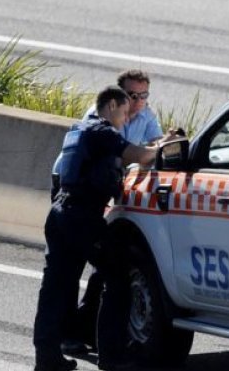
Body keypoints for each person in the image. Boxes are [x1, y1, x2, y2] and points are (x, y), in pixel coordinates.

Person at [33, 86, 175, 371]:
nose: (124, 120)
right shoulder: (103, 131)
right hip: (82, 216)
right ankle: (112, 356)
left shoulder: (78, 130)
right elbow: (138, 155)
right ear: (111, 105)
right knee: (118, 278)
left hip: (60, 213)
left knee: (55, 287)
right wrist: (163, 147)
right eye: (123, 113)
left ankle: (47, 358)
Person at [64, 69, 164, 355]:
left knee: (105, 270)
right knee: (73, 270)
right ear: (118, 99)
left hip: (110, 194)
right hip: (81, 197)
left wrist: (158, 145)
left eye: (144, 95)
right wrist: (154, 150)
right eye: (132, 96)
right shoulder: (99, 122)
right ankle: (74, 336)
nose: (138, 102)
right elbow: (135, 153)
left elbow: (153, 143)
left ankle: (88, 332)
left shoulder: (145, 115)